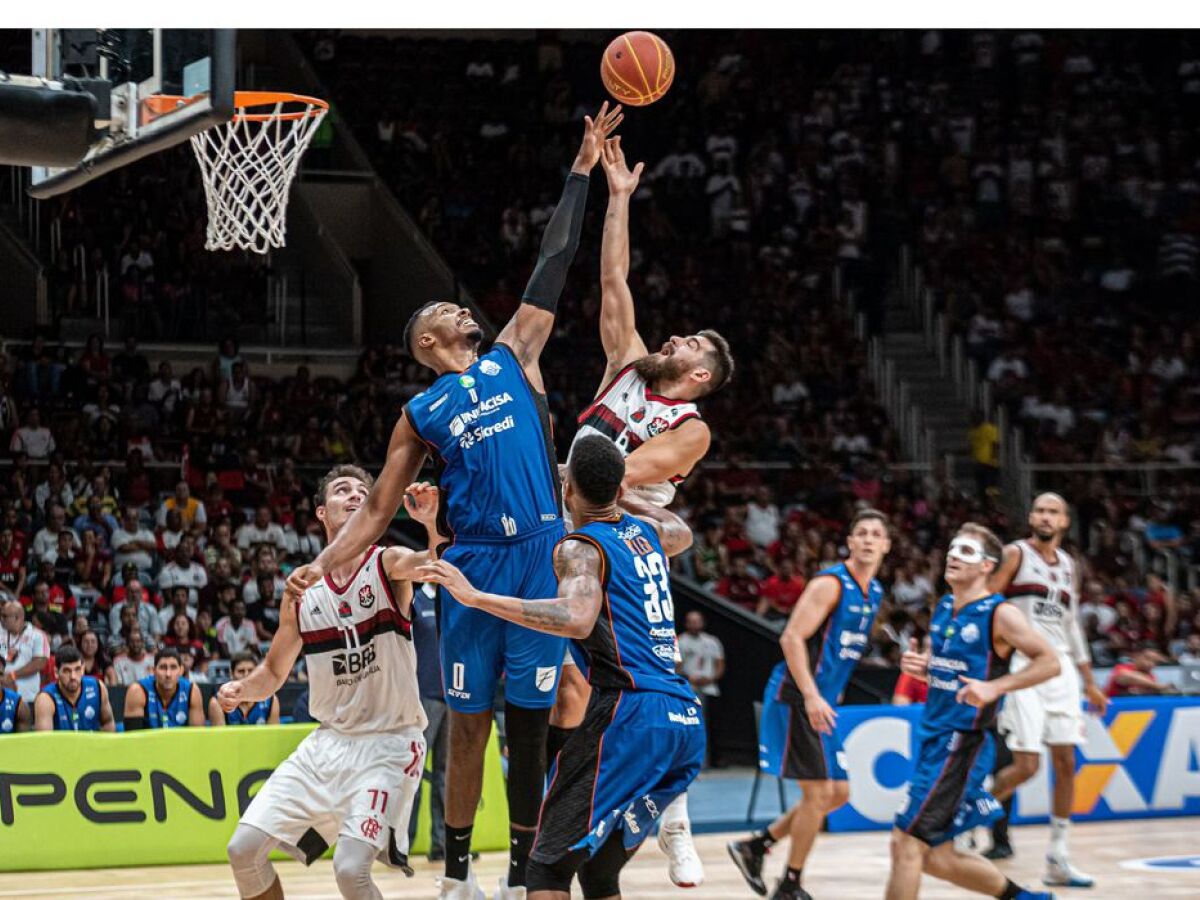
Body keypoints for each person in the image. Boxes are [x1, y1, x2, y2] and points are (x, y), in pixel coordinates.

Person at [285, 104, 623, 900]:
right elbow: (373, 512)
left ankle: (520, 875)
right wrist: (321, 564)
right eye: (446, 312)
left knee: (531, 730)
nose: (462, 310)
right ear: (428, 344)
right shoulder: (420, 412)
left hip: (538, 555)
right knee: (468, 728)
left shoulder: (515, 355)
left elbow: (554, 260)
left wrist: (580, 170)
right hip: (469, 565)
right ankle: (459, 875)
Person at [548, 135, 736, 889]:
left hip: (624, 543)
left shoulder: (690, 429)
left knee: (641, 686)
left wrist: (562, 475)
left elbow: (619, 474)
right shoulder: (626, 368)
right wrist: (618, 197)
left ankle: (676, 826)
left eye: (687, 342)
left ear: (699, 375)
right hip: (574, 535)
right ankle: (575, 838)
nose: (672, 335)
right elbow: (613, 277)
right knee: (573, 690)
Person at [418, 435, 704, 900]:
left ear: (566, 491)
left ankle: (676, 831)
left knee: (545, 871)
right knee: (596, 874)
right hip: (684, 721)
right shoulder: (649, 534)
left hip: (628, 717)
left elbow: (574, 616)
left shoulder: (581, 548)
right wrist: (619, 492)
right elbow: (681, 529)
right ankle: (676, 830)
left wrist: (476, 597)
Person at [221, 467, 439, 900]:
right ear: (322, 512)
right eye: (343, 491)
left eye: (364, 491)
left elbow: (435, 565)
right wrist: (243, 689)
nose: (357, 495)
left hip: (390, 744)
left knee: (350, 871)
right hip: (328, 745)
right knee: (242, 850)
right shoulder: (302, 588)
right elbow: (274, 672)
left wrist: (431, 526)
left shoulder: (387, 562)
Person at [885, 524, 1060, 900]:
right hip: (934, 738)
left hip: (961, 745)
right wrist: (926, 667)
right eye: (952, 549)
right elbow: (956, 667)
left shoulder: (1001, 613)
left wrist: (995, 687)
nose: (953, 556)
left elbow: (1049, 662)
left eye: (965, 552)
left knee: (905, 845)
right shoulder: (945, 606)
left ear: (987, 566)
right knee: (936, 858)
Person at [727, 509, 890, 900]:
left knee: (839, 794)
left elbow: (841, 651)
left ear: (886, 545)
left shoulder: (876, 593)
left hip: (823, 702)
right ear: (850, 542)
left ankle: (756, 845)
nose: (868, 539)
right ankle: (791, 884)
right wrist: (814, 695)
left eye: (876, 534)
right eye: (861, 533)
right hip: (797, 697)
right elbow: (792, 638)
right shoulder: (830, 584)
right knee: (819, 795)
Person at [984, 494, 1108, 887]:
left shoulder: (1069, 565)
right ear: (1031, 517)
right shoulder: (1015, 554)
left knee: (1067, 764)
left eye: (1053, 512)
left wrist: (1089, 681)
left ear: (1065, 521)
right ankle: (973, 806)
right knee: (1026, 766)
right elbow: (986, 600)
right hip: (1025, 665)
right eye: (1038, 509)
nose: (1045, 516)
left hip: (1063, 671)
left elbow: (1071, 625)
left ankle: (1059, 855)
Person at [407, 583, 449, 862]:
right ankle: (402, 844)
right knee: (414, 774)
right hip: (424, 698)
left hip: (453, 697)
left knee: (446, 776)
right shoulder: (415, 601)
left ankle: (443, 844)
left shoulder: (453, 599)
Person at [34, 644, 115, 731]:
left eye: (77, 669)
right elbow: (44, 741)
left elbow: (108, 722)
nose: (73, 676)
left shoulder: (98, 687)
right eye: (67, 671)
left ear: (83, 669)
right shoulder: (46, 699)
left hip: (92, 744)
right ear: (56, 672)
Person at [121, 646, 206, 728]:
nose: (168, 674)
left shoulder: (191, 691)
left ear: (181, 671)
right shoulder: (137, 691)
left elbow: (197, 738)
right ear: (154, 671)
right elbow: (134, 739)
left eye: (173, 667)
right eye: (163, 667)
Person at [0, 600, 50, 705]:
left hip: (27, 698)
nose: (1, 619)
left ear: (18, 617)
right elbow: (4, 656)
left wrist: (12, 676)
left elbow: (40, 663)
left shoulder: (37, 635)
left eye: (5, 616)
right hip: (3, 697)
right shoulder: (1, 635)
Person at [209, 652, 278, 725]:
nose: (246, 675)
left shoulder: (271, 700)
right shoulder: (218, 702)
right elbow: (220, 736)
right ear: (231, 673)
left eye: (251, 670)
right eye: (241, 671)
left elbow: (273, 735)